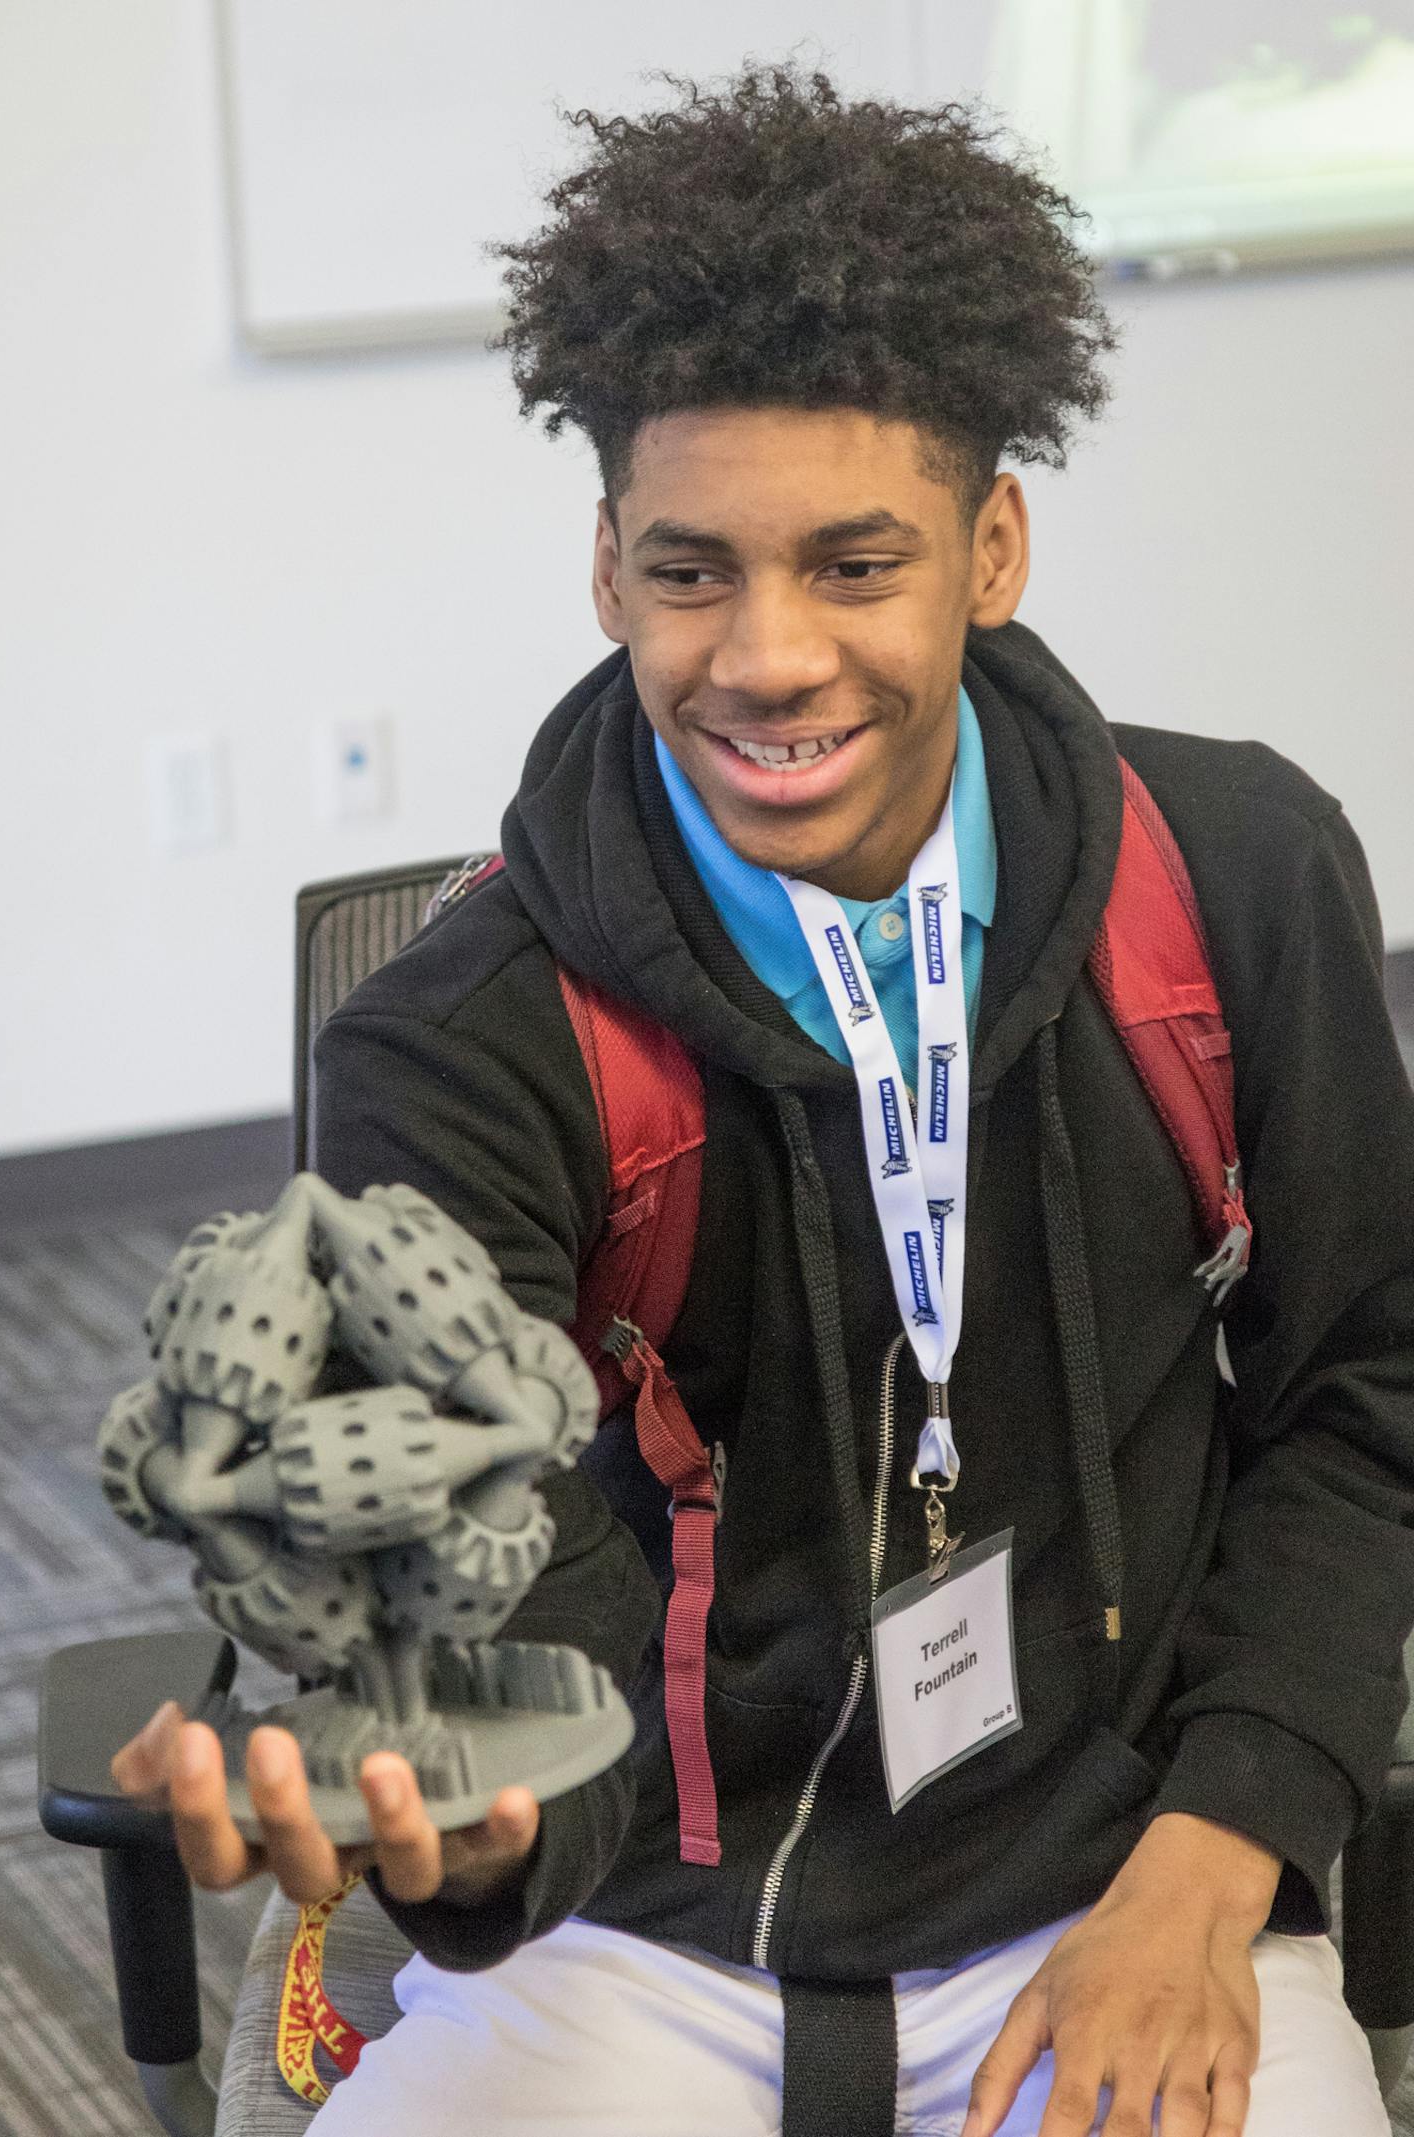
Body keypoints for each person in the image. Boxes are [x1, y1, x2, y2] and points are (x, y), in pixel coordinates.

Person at [113, 60, 1414, 2135]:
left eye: (855, 563)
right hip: (645, 1927)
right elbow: (508, 1601)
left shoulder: (1235, 879)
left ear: (991, 548)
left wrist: (1223, 1843)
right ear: (608, 564)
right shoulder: (460, 1041)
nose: (768, 659)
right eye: (695, 569)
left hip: (1128, 1860)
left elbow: (1368, 1391)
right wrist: (461, 1819)